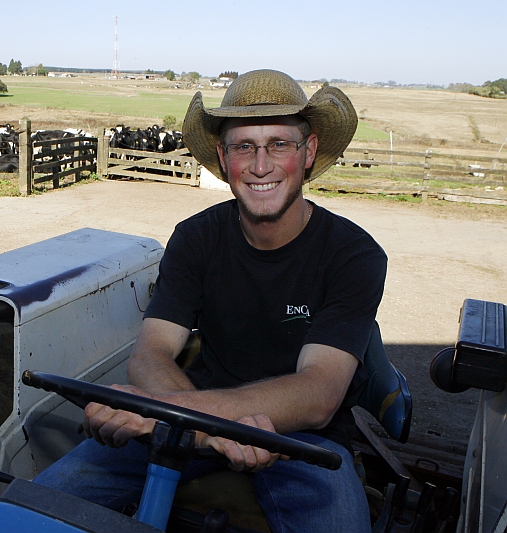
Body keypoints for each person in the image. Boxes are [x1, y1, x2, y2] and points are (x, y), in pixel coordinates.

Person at [34, 69, 386, 532]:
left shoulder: (353, 254)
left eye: (279, 144)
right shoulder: (195, 238)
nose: (261, 165)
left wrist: (193, 424)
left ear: (309, 152)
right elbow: (151, 353)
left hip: (304, 442)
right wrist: (200, 428)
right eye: (244, 147)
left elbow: (318, 393)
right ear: (223, 158)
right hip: (187, 412)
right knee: (39, 505)